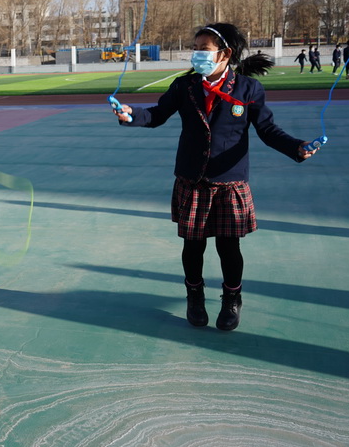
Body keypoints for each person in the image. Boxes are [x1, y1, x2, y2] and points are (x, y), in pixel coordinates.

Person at [112, 23, 317, 332]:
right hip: (192, 179)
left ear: (225, 54)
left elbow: (268, 130)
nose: (197, 55)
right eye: (195, 49)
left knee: (228, 246)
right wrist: (131, 115)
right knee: (192, 246)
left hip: (230, 181)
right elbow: (157, 114)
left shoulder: (248, 89)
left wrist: (296, 148)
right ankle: (194, 296)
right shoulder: (185, 86)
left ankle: (232, 300)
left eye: (204, 50)